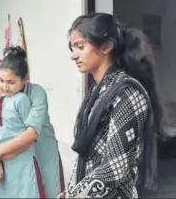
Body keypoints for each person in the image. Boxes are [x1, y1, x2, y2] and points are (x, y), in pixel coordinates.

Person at [62, 12, 161, 198]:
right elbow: (86, 153)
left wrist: (74, 195)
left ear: (106, 46)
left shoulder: (127, 93)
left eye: (80, 47)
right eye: (72, 48)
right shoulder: (99, 91)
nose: (73, 56)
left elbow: (115, 167)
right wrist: (71, 191)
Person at [0, 47, 65, 198]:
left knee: (47, 191)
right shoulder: (2, 96)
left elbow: (31, 133)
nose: (5, 86)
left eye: (11, 82)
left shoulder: (36, 93)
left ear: (25, 79)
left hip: (42, 152)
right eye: (2, 81)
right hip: (13, 156)